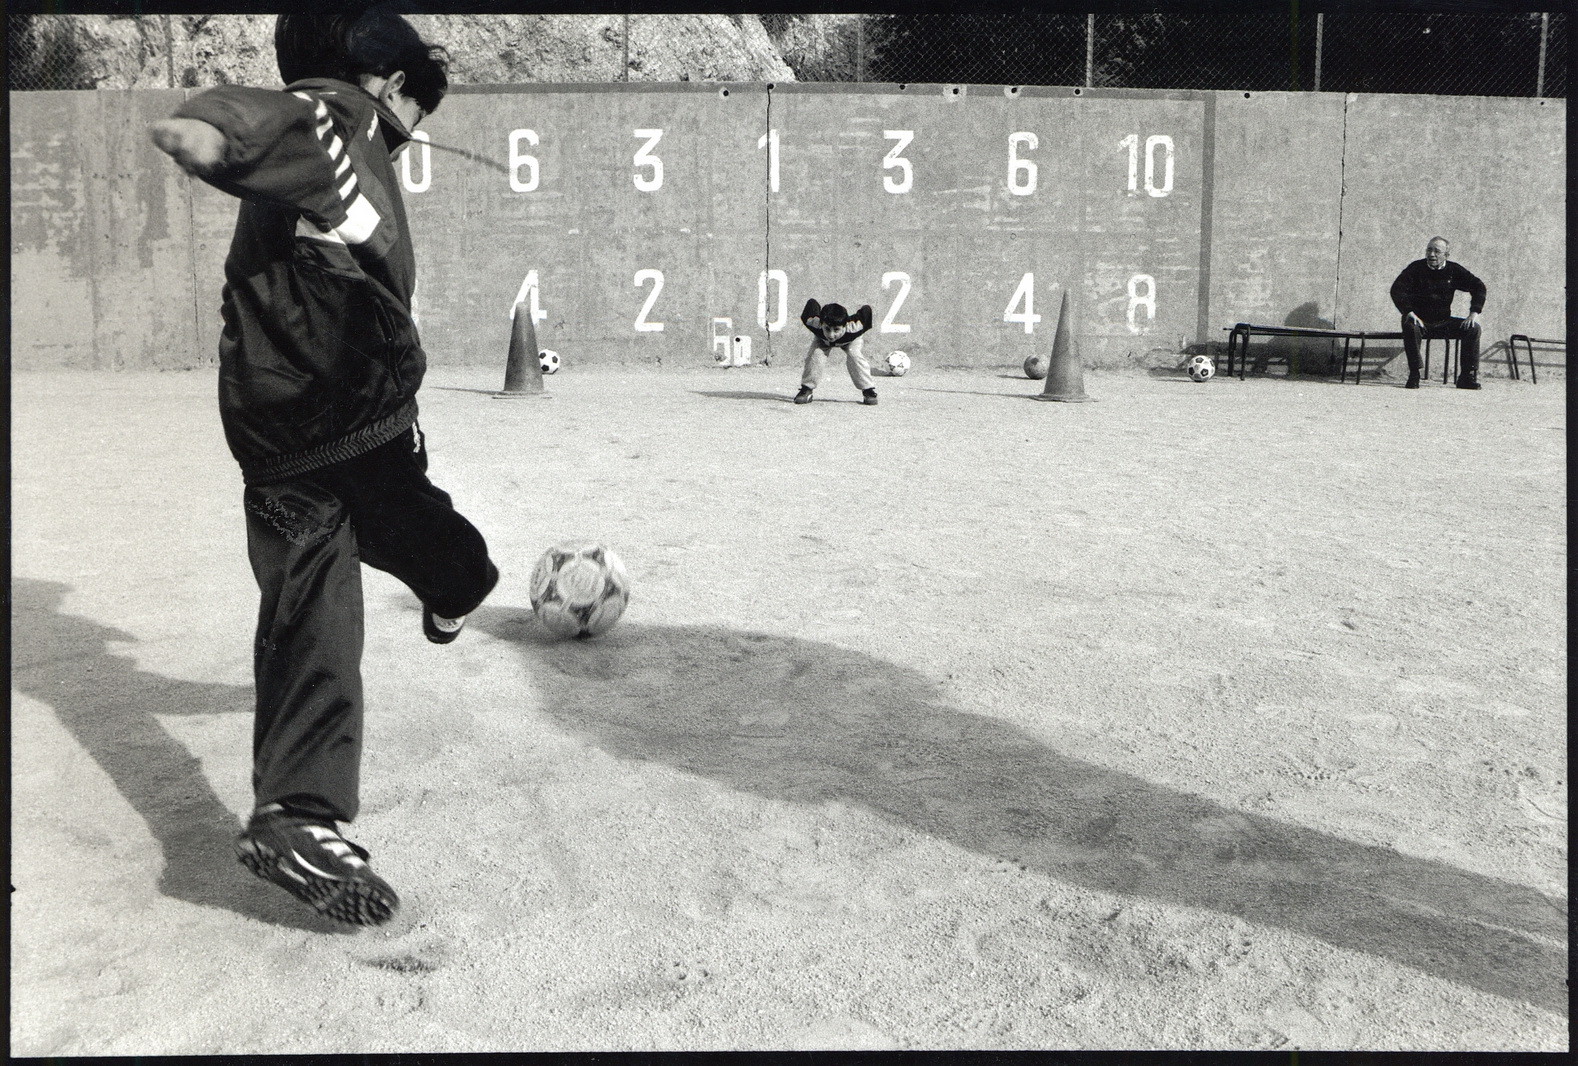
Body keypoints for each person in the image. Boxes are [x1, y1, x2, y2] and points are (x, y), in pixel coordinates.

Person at [148, 10, 497, 927]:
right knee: (446, 559)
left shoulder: (324, 156)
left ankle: (296, 815)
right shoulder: (341, 114)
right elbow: (285, 121)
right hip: (355, 424)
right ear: (388, 80)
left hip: (274, 431)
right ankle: (454, 594)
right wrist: (213, 130)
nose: (409, 130)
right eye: (413, 107)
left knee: (316, 607)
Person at [1389, 236, 1487, 390]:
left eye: (1437, 251)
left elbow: (1479, 286)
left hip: (1443, 322)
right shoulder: (1416, 268)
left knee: (1473, 328)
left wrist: (1474, 313)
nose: (1431, 254)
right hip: (1419, 321)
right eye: (1429, 250)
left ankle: (1466, 377)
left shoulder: (1454, 270)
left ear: (1446, 255)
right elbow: (1397, 289)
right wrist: (1408, 311)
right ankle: (1414, 374)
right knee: (1410, 326)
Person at [795, 298, 878, 405]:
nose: (831, 335)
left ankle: (868, 390)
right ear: (821, 323)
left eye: (836, 330)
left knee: (855, 355)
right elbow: (812, 303)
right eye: (827, 329)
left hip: (850, 341)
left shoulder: (855, 327)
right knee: (816, 355)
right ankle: (806, 389)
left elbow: (866, 310)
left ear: (845, 325)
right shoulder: (813, 322)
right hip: (822, 340)